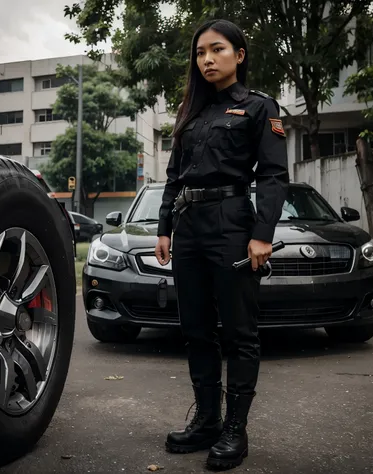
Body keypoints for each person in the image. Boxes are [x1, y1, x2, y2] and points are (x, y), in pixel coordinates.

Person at [155, 18, 289, 470]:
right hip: (188, 225)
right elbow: (174, 176)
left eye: (217, 50)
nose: (207, 59)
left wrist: (262, 234)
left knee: (238, 332)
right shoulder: (190, 110)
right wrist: (163, 228)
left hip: (232, 222)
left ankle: (236, 428)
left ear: (239, 55)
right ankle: (207, 420)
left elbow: (273, 177)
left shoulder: (257, 107)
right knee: (195, 329)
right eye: (200, 53)